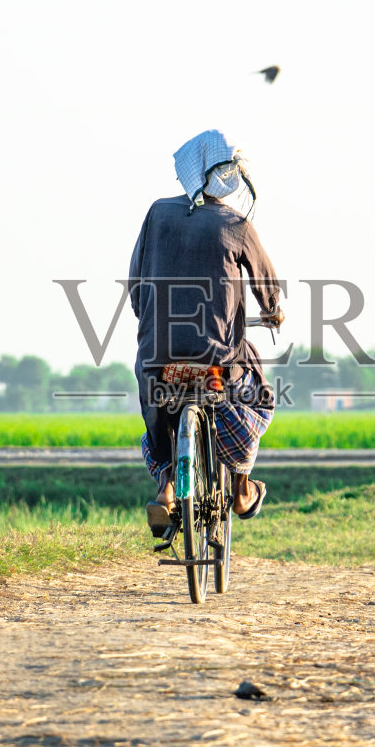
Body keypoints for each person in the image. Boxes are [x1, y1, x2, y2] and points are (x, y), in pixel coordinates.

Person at [127, 129, 283, 532]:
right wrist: (273, 312)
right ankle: (242, 487)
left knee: (158, 404)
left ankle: (165, 488)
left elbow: (135, 279)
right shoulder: (237, 223)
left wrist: (148, 317)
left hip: (157, 356)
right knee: (259, 393)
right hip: (217, 359)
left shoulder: (158, 212)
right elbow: (268, 285)